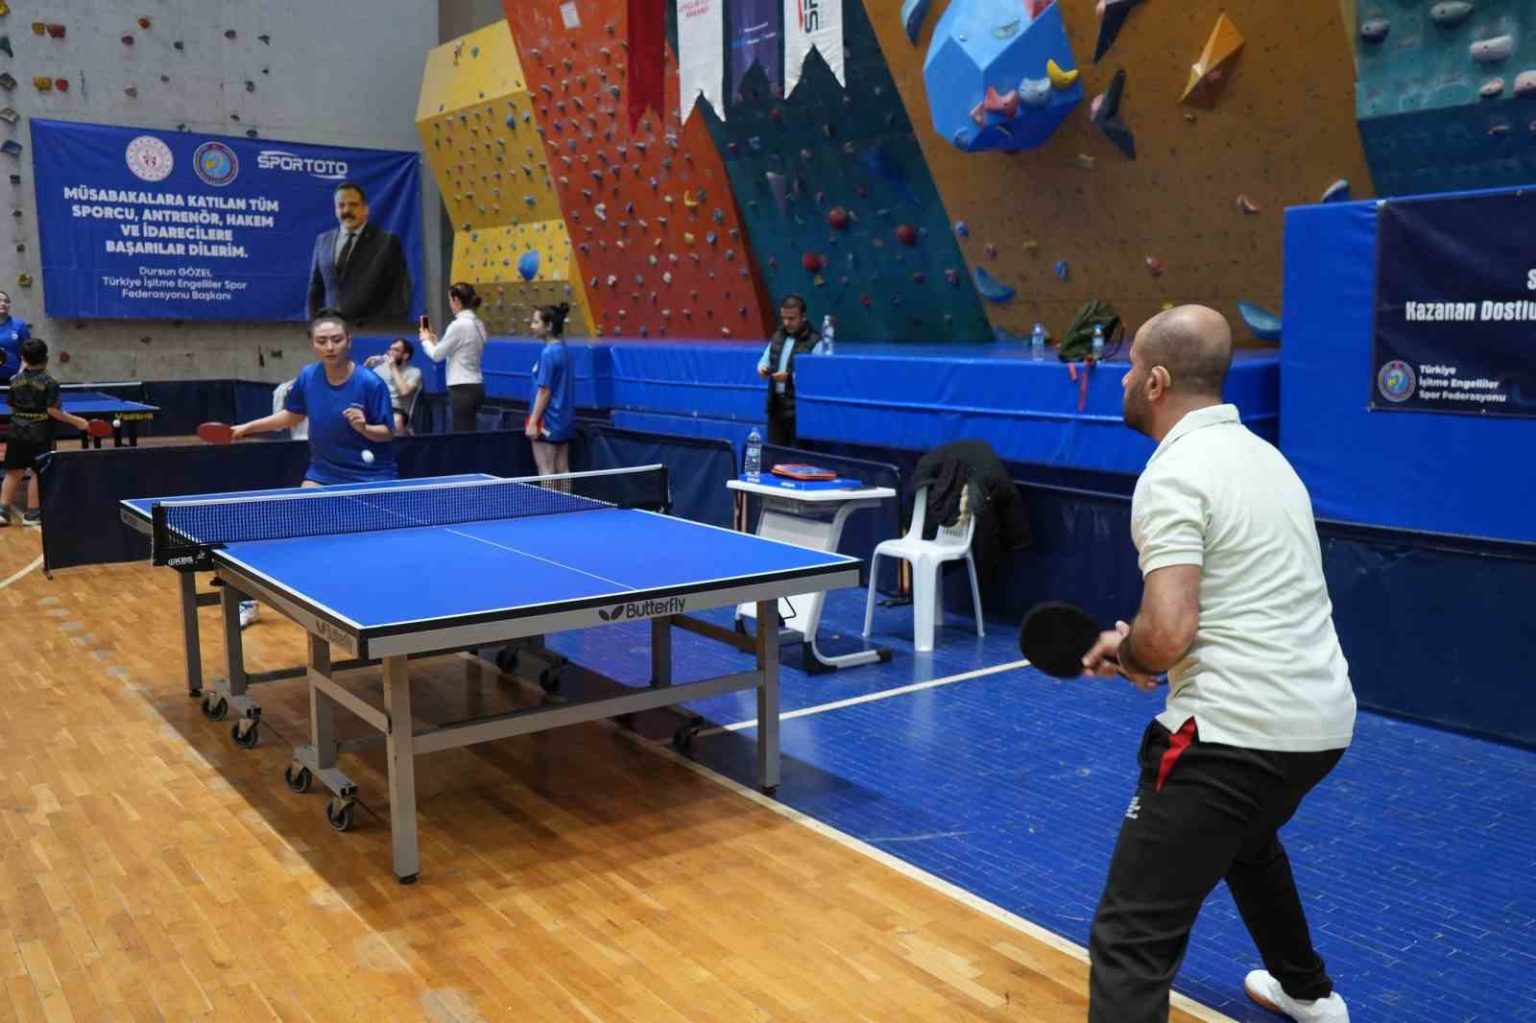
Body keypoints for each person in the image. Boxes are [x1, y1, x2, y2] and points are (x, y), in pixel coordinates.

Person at [1080, 305, 1356, 1023]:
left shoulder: (1173, 473)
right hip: (1321, 725)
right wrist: (1143, 648)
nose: (1123, 382)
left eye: (1131, 370)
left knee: (1129, 936)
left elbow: (1169, 631)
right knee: (1245, 836)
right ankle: (1308, 992)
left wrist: (1135, 651)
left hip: (1232, 735)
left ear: (1157, 382)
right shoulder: (1267, 460)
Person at [228, 310, 398, 627]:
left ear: (349, 341)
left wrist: (365, 428)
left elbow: (388, 432)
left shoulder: (369, 383)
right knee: (282, 530)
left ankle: (377, 607)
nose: (330, 347)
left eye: (336, 339)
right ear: (313, 344)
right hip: (323, 475)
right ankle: (250, 600)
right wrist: (247, 427)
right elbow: (291, 416)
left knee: (373, 551)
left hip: (371, 479)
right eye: (322, 341)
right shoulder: (308, 377)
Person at [0, 338, 90, 527]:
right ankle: (32, 514)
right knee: (37, 472)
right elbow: (53, 411)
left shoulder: (15, 380)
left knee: (13, 472)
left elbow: (10, 405)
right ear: (46, 359)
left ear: (23, 358)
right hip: (40, 432)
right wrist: (78, 422)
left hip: (16, 430)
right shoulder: (50, 383)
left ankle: (2, 511)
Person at [307, 181, 411, 325]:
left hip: (372, 330)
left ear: (365, 209)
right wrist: (313, 325)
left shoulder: (386, 243)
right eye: (341, 205)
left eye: (353, 205)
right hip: (333, 330)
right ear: (335, 210)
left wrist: (387, 331)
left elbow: (399, 294)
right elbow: (315, 290)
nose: (347, 210)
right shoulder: (322, 241)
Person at [419, 282, 487, 433]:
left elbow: (436, 356)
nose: (450, 304)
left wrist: (425, 340)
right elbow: (458, 350)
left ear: (456, 300)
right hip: (476, 385)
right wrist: (435, 343)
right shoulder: (478, 324)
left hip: (462, 388)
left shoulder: (459, 325)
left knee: (462, 435)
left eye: (450, 300)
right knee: (468, 433)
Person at [756, 295, 821, 446]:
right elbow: (765, 360)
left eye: (791, 319)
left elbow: (816, 377)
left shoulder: (815, 342)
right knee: (775, 453)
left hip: (800, 410)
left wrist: (790, 378)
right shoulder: (778, 336)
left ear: (803, 317)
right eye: (783, 318)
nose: (786, 323)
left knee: (800, 455)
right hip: (776, 406)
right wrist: (762, 369)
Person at [525, 302, 576, 476]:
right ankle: (566, 497)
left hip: (547, 421)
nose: (532, 326)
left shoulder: (548, 353)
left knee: (546, 470)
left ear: (548, 326)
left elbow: (544, 391)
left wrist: (533, 421)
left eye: (536, 322)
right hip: (564, 419)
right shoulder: (565, 351)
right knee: (563, 469)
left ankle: (548, 497)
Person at [364, 337, 423, 435]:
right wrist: (367, 366)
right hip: (378, 407)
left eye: (395, 350)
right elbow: (364, 387)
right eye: (390, 349)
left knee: (396, 421)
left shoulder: (414, 372)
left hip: (397, 409)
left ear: (405, 355)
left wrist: (392, 367)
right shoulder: (380, 369)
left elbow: (404, 392)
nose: (390, 352)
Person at [0, 289, 32, 384]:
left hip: (14, 379)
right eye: (0, 301)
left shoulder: (19, 325)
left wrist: (20, 374)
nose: (3, 304)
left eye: (6, 301)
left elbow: (29, 353)